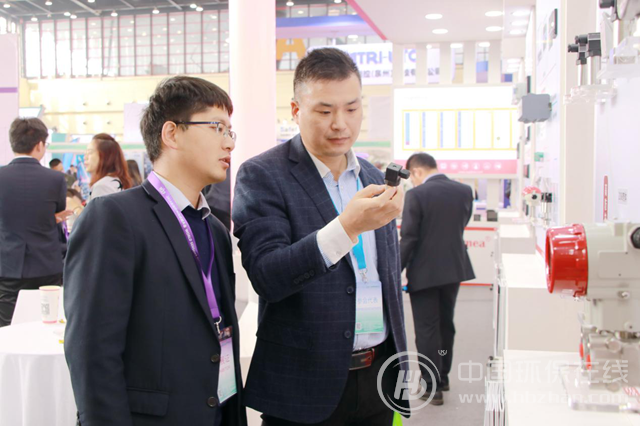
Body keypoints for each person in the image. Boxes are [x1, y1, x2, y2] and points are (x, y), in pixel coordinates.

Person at [233, 48, 409, 425]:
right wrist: (347, 228)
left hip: (378, 377)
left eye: (351, 108)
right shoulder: (263, 175)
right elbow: (267, 276)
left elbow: (386, 279)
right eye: (325, 111)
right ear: (296, 111)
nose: (340, 124)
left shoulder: (373, 178)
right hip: (303, 385)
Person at [64, 76, 246, 426]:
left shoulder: (216, 230)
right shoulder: (114, 217)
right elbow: (92, 352)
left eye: (230, 131)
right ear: (171, 134)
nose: (229, 143)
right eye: (217, 128)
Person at [400, 152, 475, 405]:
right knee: (445, 325)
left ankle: (431, 386)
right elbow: (460, 225)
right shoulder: (464, 191)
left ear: (416, 171)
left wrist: (394, 270)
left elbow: (409, 238)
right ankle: (443, 376)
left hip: (425, 272)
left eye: (412, 177)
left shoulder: (417, 195)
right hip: (454, 268)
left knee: (427, 329)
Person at [0, 118, 69, 326]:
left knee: (6, 327)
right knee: (46, 324)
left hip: (7, 265)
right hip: (46, 265)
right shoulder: (55, 179)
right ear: (39, 145)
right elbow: (56, 213)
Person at [84, 133, 132, 201]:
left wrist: (75, 206)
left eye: (90, 152)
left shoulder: (102, 186)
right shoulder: (114, 182)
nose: (85, 157)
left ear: (105, 156)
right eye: (86, 153)